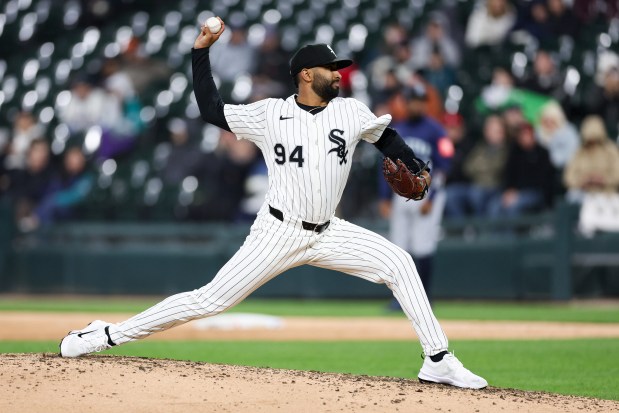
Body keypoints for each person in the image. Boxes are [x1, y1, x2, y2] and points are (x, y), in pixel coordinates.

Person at [59, 18, 487, 390]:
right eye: (330, 68)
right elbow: (210, 109)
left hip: (329, 231)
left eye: (339, 68)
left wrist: (419, 166)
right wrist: (200, 52)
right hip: (277, 232)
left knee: (400, 264)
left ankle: (437, 360)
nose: (338, 74)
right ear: (305, 74)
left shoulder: (351, 111)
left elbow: (388, 138)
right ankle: (106, 335)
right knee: (209, 301)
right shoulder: (270, 114)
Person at [378, 85, 453, 303]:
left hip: (427, 194)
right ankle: (399, 299)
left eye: (420, 100)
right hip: (399, 195)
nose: (415, 104)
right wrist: (384, 197)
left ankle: (424, 298)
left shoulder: (437, 130)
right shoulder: (397, 129)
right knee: (398, 247)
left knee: (423, 245)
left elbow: (444, 167)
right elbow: (384, 164)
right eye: (412, 100)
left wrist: (434, 194)